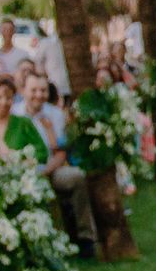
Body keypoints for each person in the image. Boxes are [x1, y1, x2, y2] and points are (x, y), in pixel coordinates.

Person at [19, 73, 99, 258]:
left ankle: (86, 237)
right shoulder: (16, 114)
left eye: (43, 90)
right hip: (25, 172)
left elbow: (61, 151)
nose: (38, 95)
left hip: (52, 167)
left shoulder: (55, 114)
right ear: (24, 91)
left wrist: (47, 170)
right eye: (34, 90)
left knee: (77, 176)